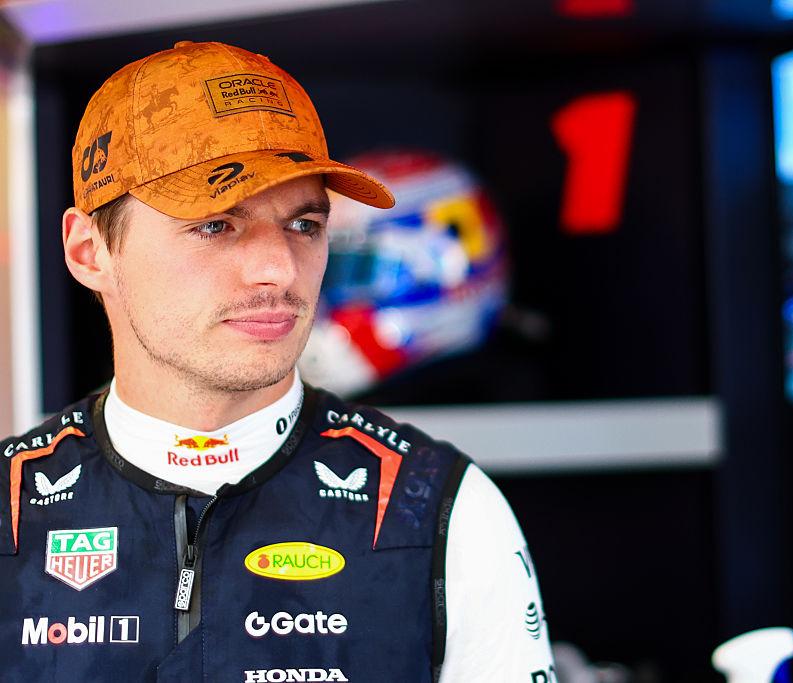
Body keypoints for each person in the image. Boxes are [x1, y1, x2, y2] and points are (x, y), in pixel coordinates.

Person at [0, 40, 555, 682]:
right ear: (89, 251)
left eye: (304, 226)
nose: (279, 269)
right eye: (216, 224)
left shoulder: (441, 511)